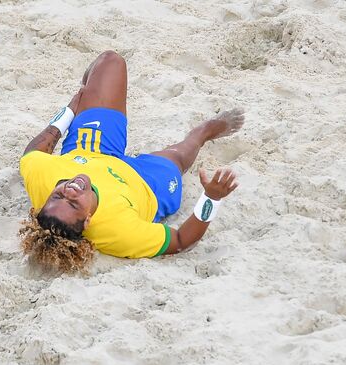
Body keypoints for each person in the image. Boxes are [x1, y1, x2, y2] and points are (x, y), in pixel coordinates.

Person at [19, 50, 245, 272]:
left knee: (111, 61)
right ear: (88, 221)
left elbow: (32, 154)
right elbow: (181, 240)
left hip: (90, 151)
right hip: (143, 184)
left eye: (58, 195)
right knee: (178, 155)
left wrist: (69, 111)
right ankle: (204, 132)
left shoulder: (43, 183)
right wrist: (211, 198)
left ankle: (89, 89)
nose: (69, 191)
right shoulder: (120, 232)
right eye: (74, 204)